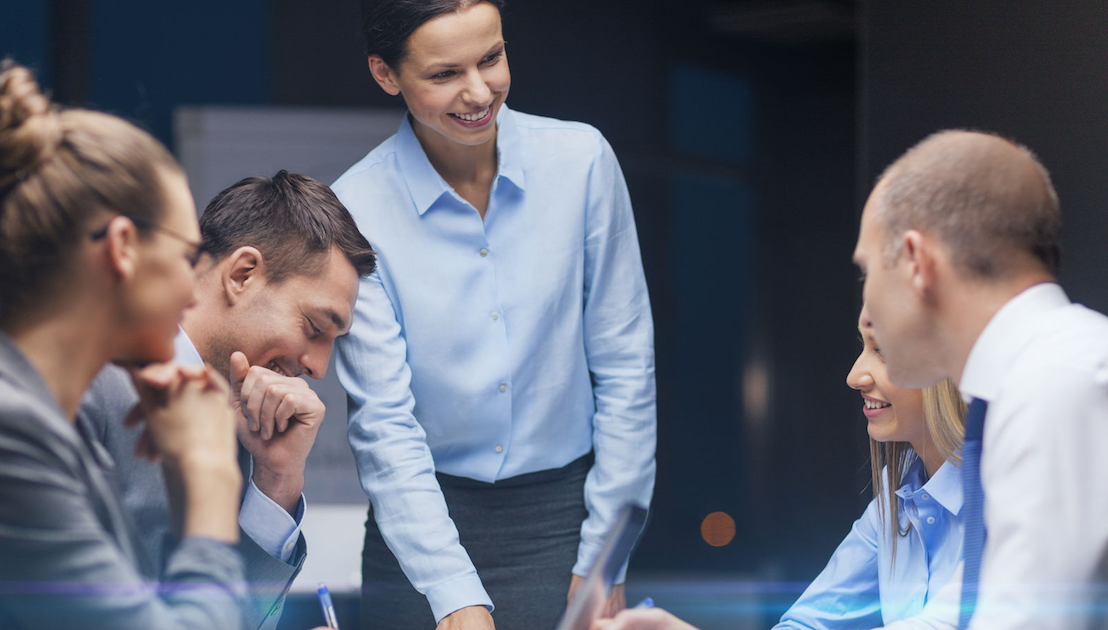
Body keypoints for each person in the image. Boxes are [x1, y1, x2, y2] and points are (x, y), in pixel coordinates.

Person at [332, 1, 657, 629]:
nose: (480, 92)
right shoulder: (355, 209)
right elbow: (383, 422)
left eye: (491, 58)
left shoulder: (582, 162)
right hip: (418, 524)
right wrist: (451, 591)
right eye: (444, 74)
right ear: (385, 73)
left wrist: (606, 552)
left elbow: (626, 365)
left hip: (566, 521)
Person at [0, 61, 245, 628]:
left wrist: (187, 478)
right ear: (122, 247)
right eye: (188, 256)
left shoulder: (39, 422)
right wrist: (212, 470)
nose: (193, 289)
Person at [78, 170, 376, 629]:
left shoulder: (241, 427)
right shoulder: (86, 383)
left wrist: (277, 480)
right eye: (314, 327)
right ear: (242, 275)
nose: (319, 367)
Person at [851, 130, 1108, 629]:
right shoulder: (1043, 376)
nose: (867, 308)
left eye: (867, 272)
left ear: (916, 261)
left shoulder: (1053, 386)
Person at [592, 308, 968, 630]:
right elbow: (806, 624)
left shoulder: (998, 499)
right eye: (863, 347)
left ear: (947, 361)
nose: (854, 376)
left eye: (882, 350)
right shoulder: (896, 499)